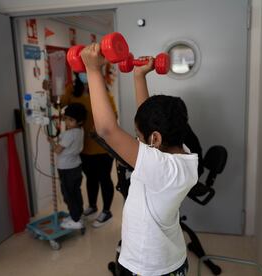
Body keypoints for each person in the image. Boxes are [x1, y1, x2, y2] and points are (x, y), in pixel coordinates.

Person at [81, 44, 198, 275]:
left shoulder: (163, 169)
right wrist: (139, 76)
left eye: (138, 137)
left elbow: (106, 129)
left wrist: (93, 70)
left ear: (154, 138)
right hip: (169, 260)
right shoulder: (181, 154)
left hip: (146, 268)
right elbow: (149, 124)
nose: (136, 141)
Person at [60, 72, 117, 228]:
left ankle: (107, 211)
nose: (86, 76)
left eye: (89, 72)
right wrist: (62, 89)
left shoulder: (103, 94)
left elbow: (113, 117)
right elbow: (61, 105)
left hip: (103, 147)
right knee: (90, 178)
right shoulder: (72, 92)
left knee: (104, 178)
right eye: (82, 73)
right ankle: (92, 206)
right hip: (83, 147)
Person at [49, 103, 87, 230]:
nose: (67, 122)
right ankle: (77, 215)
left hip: (67, 169)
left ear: (79, 121)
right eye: (66, 119)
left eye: (71, 120)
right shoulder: (80, 131)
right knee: (75, 192)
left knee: (68, 195)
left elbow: (58, 150)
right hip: (76, 166)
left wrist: (51, 142)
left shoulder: (70, 134)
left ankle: (76, 220)